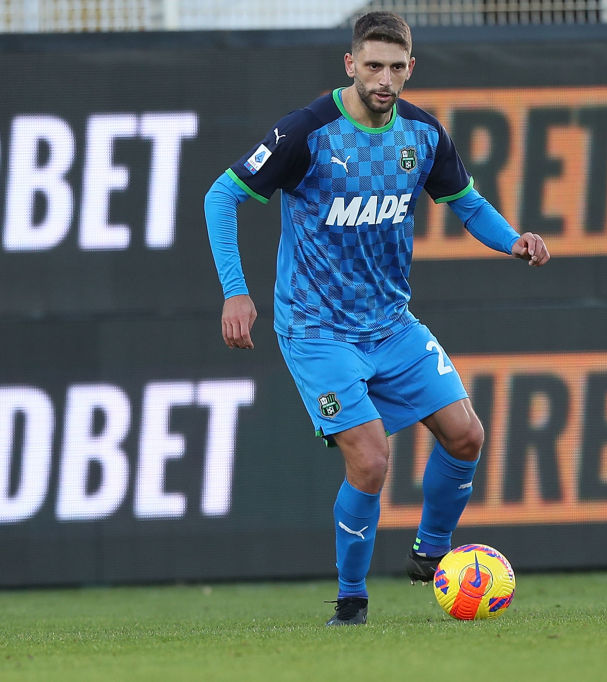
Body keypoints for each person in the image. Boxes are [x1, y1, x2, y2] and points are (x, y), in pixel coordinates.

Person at [204, 11, 548, 626]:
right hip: (316, 328)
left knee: (466, 435)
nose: (383, 79)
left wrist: (512, 240)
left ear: (410, 68)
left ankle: (432, 554)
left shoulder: (422, 134)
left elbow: (465, 203)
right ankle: (351, 601)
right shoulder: (307, 132)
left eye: (395, 67)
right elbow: (222, 194)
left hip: (391, 324)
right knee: (369, 458)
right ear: (350, 65)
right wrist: (236, 290)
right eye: (372, 66)